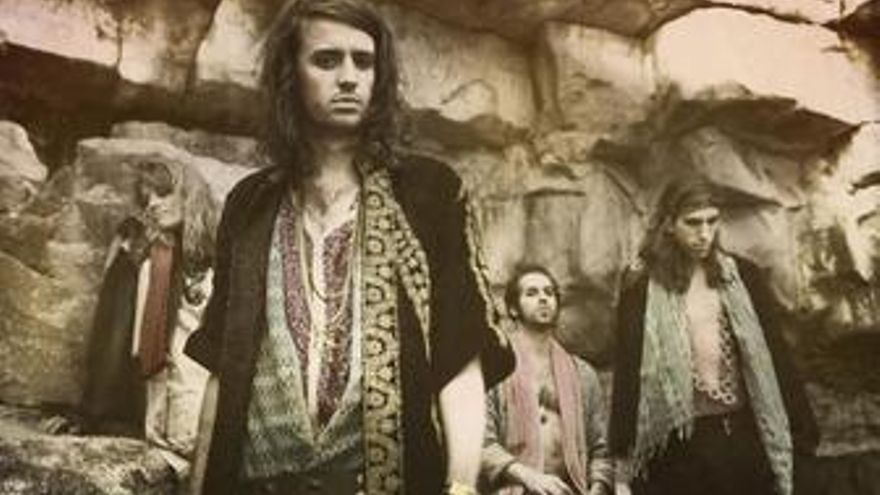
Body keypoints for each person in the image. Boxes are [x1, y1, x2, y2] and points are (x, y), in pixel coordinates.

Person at [182, 0, 514, 494]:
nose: (349, 78)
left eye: (364, 61)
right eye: (326, 60)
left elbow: (460, 358)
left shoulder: (429, 193)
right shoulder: (250, 204)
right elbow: (222, 369)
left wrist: (462, 487)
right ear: (290, 74)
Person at [608, 177, 819, 495]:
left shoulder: (743, 277)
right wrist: (622, 461)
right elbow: (628, 372)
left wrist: (801, 437)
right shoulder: (642, 286)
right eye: (692, 223)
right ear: (668, 224)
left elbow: (777, 359)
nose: (704, 234)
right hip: (678, 445)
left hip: (742, 436)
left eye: (712, 221)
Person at [481, 265, 613, 495]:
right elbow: (481, 445)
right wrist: (529, 477)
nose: (543, 298)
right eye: (532, 293)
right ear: (513, 309)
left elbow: (600, 450)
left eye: (549, 292)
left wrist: (597, 488)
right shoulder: (495, 370)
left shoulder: (583, 374)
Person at [133, 159, 216, 472]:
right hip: (163, 414)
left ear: (188, 195)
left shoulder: (225, 255)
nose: (152, 205)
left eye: (163, 193)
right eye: (146, 199)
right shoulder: (154, 262)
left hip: (206, 404)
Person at [81, 216, 148, 437]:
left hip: (125, 283)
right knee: (113, 342)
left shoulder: (126, 260)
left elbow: (109, 264)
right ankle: (100, 409)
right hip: (124, 283)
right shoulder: (127, 255)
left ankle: (99, 409)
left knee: (114, 342)